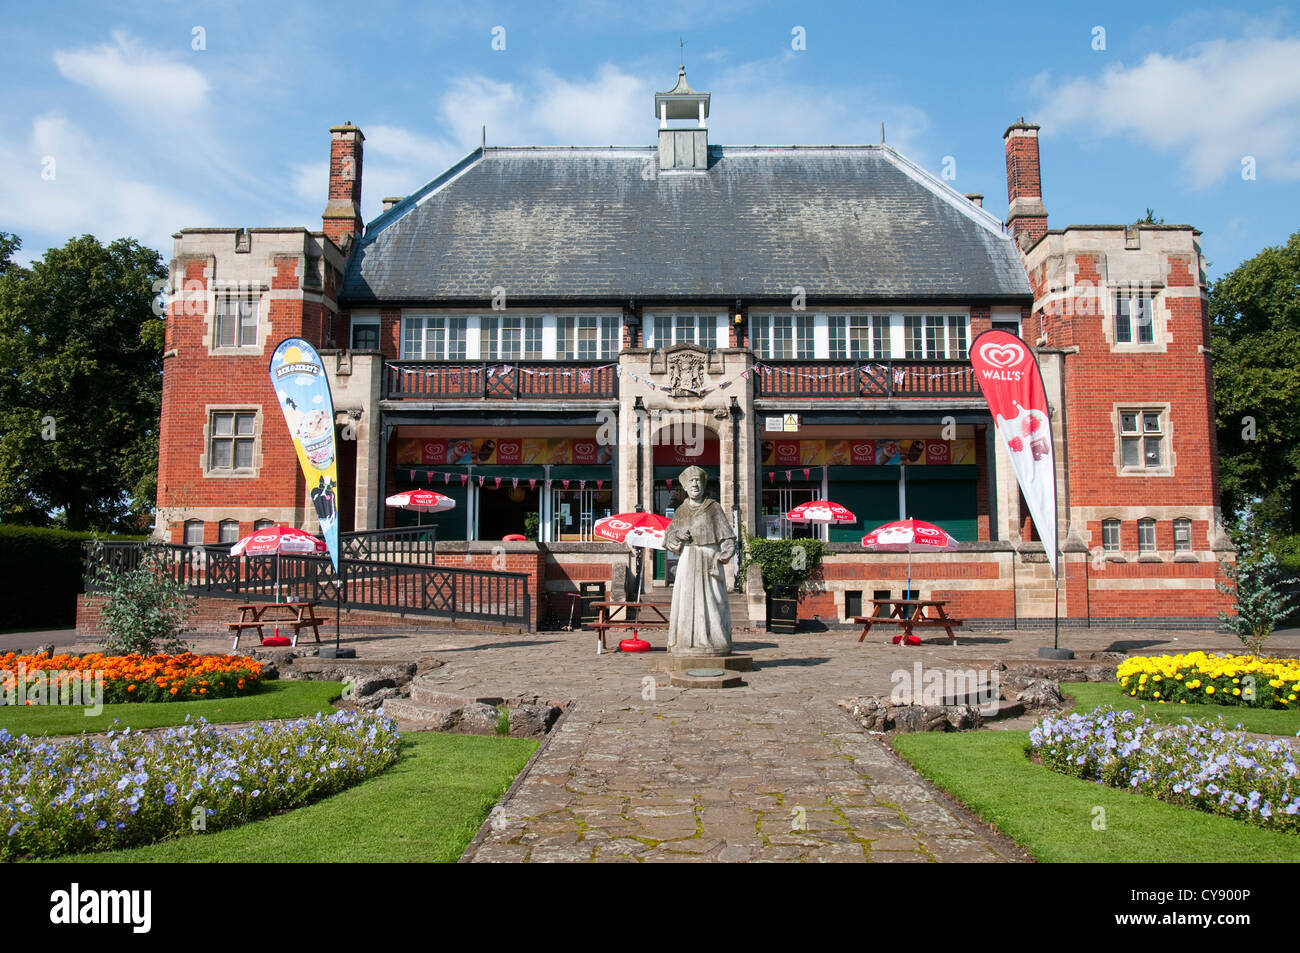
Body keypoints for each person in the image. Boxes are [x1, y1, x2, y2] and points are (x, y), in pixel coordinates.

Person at [662, 466, 735, 656]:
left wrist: (725, 552)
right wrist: (678, 535)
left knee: (713, 601)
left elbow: (727, 538)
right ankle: (686, 641)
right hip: (687, 559)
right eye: (691, 481)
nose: (695, 484)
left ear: (704, 485)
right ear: (685, 486)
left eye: (698, 481)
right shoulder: (680, 511)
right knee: (685, 600)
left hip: (710, 559)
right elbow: (667, 538)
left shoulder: (714, 508)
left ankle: (714, 641)